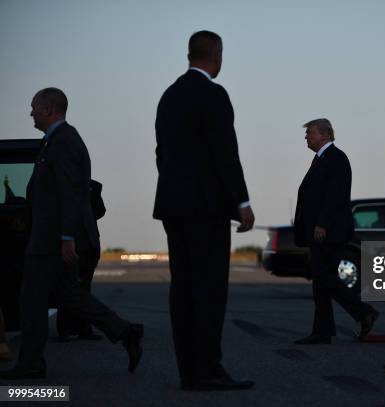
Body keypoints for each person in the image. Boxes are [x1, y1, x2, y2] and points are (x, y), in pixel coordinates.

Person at [0, 88, 143, 380]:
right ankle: (126, 332)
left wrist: (67, 238)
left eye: (34, 108)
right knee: (71, 296)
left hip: (50, 241)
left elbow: (70, 193)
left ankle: (30, 364)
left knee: (31, 300)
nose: (31, 113)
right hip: (51, 238)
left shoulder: (63, 141)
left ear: (49, 109)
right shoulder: (56, 140)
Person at [153, 30, 255, 391]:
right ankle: (209, 368)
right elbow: (225, 152)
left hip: (174, 207)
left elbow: (162, 154)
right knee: (210, 289)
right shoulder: (213, 94)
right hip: (206, 209)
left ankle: (190, 372)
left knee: (183, 288)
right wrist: (240, 201)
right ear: (217, 55)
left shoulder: (169, 96)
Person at [293, 119, 379, 345]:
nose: (306, 137)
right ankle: (322, 331)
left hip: (330, 231)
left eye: (309, 133)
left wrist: (322, 224)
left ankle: (364, 312)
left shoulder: (336, 158)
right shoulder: (321, 159)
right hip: (320, 231)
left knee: (325, 278)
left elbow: (335, 195)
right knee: (320, 281)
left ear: (324, 135)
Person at [56, 180, 106, 342]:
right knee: (83, 287)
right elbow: (100, 211)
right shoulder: (93, 186)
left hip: (75, 241)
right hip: (89, 241)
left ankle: (67, 328)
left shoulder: (60, 185)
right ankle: (82, 328)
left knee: (69, 286)